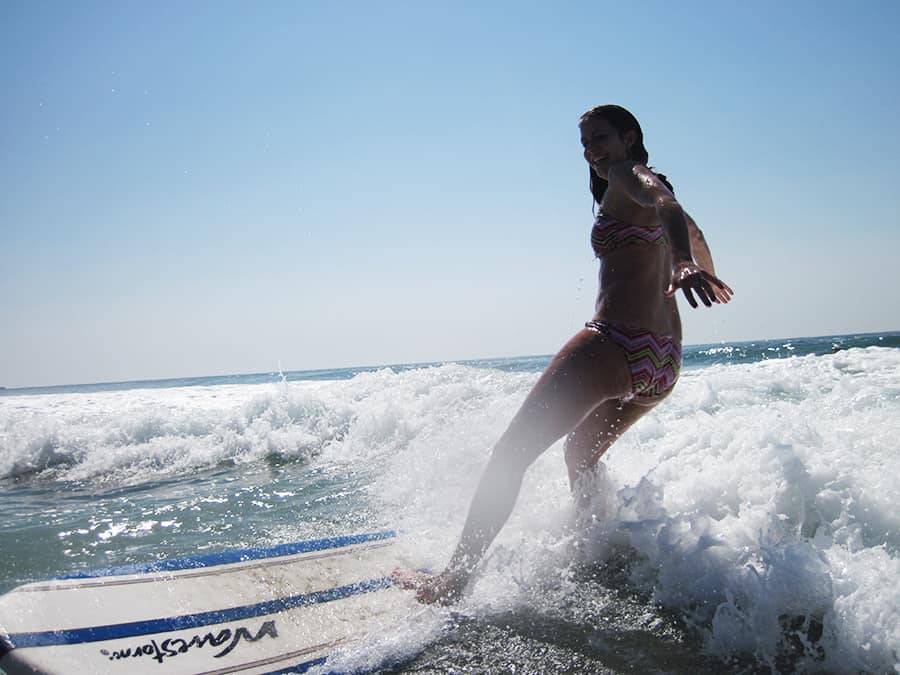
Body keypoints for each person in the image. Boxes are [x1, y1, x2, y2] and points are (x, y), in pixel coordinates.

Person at [394, 104, 733, 604]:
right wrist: (696, 264)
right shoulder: (651, 190)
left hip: (616, 342)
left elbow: (664, 203)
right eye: (584, 145)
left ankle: (453, 581)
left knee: (509, 455)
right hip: (663, 361)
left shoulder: (629, 175)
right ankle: (597, 549)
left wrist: (682, 264)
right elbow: (689, 225)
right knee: (581, 454)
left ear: (629, 137)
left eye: (600, 138)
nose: (591, 151)